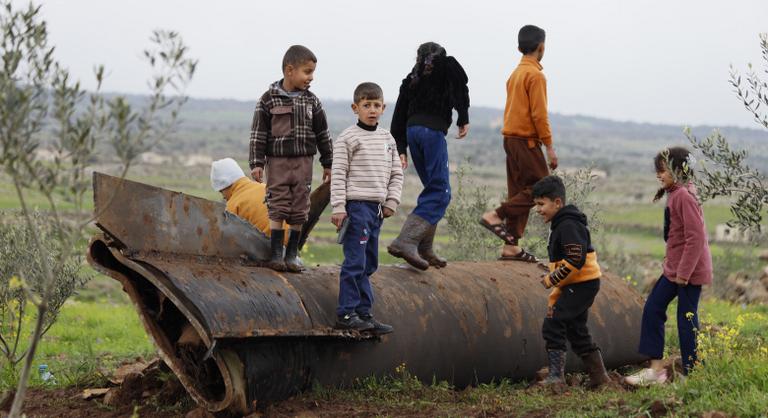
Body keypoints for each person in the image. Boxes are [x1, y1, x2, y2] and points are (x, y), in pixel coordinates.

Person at [625, 147, 712, 385]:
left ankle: (691, 375)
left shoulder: (684, 195)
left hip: (687, 272)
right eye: (658, 171)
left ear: (677, 170)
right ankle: (655, 371)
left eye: (662, 170)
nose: (658, 175)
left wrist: (683, 273)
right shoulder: (676, 193)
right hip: (675, 269)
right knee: (653, 309)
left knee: (686, 319)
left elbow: (695, 238)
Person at [249, 45, 333, 273]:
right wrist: (256, 163)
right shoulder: (268, 100)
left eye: (313, 72)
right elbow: (258, 134)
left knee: (299, 204)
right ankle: (276, 253)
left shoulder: (312, 102)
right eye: (307, 72)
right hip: (277, 163)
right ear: (289, 70)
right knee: (277, 202)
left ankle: (292, 254)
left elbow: (323, 134)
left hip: (304, 162)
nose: (311, 78)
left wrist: (328, 163)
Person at [387, 42, 470, 270]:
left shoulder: (411, 79)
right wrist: (463, 118)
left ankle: (424, 248)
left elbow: (398, 117)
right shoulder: (447, 66)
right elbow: (460, 89)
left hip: (412, 134)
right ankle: (407, 240)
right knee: (441, 193)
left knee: (433, 188)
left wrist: (401, 148)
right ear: (441, 57)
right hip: (432, 134)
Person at [480, 25, 558, 262]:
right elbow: (539, 115)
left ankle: (511, 246)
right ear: (542, 47)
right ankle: (495, 215)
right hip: (526, 141)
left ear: (519, 48)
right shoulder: (535, 75)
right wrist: (550, 147)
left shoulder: (515, 74)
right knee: (543, 187)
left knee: (519, 191)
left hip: (510, 139)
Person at [330, 82, 403, 333]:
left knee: (370, 262)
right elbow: (338, 174)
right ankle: (347, 313)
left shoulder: (387, 138)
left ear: (384, 108)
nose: (372, 110)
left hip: (377, 209)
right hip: (356, 207)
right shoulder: (348, 138)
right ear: (355, 107)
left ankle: (364, 313)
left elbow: (396, 173)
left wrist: (391, 201)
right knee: (355, 261)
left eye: (376, 105)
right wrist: (339, 207)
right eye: (366, 105)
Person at [533, 175, 610, 389]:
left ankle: (556, 376)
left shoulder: (568, 225)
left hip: (582, 284)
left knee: (553, 323)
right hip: (580, 283)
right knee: (576, 329)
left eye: (541, 204)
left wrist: (551, 278)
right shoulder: (563, 223)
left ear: (557, 202)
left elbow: (576, 258)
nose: (538, 210)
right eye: (536, 205)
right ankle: (599, 377)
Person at [210, 158, 287, 242]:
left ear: (226, 185)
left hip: (272, 247)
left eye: (221, 191)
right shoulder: (263, 187)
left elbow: (231, 240)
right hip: (291, 240)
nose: (223, 197)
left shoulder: (233, 205)